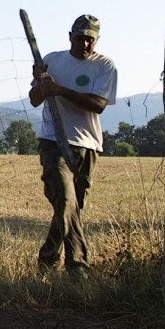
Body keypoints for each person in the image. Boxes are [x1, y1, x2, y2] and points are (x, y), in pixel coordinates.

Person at [28, 14, 118, 276]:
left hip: (88, 144)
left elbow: (98, 105)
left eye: (90, 39)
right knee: (66, 201)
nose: (85, 44)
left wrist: (59, 90)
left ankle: (46, 260)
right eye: (80, 38)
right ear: (70, 36)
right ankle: (78, 267)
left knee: (72, 207)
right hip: (53, 139)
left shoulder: (105, 66)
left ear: (97, 40)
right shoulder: (52, 61)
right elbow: (34, 100)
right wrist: (42, 84)